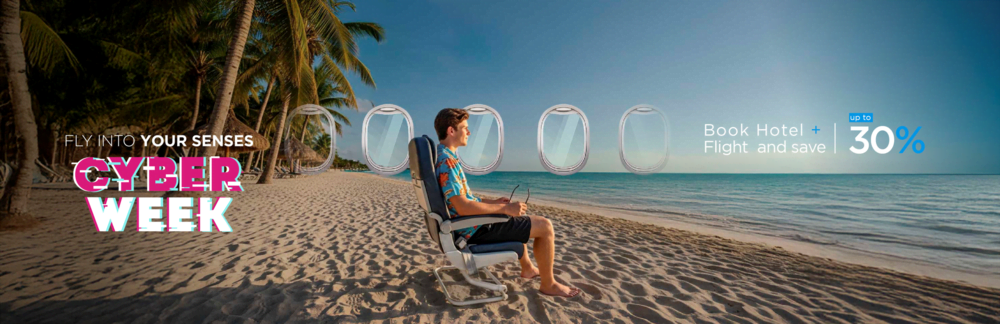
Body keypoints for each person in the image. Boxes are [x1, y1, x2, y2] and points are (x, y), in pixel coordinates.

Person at [433, 108, 581, 298]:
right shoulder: (448, 162)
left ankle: (528, 268)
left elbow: (463, 199)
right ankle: (549, 284)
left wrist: (493, 202)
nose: (469, 132)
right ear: (451, 131)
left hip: (467, 225)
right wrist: (504, 208)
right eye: (465, 128)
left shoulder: (445, 157)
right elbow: (462, 207)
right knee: (544, 226)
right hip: (471, 230)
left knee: (520, 221)